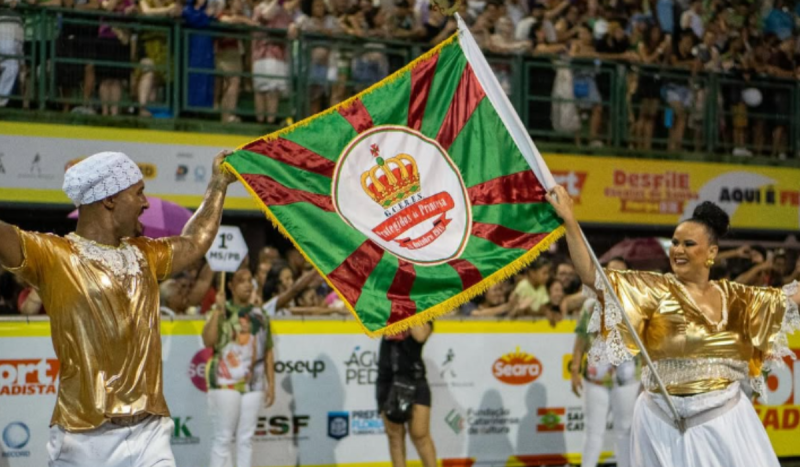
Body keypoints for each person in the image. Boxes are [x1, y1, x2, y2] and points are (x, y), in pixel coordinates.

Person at [0, 150, 237, 466]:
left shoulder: (146, 254)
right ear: (109, 200)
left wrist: (218, 184)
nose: (145, 203)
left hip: (150, 433)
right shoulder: (53, 256)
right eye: (138, 193)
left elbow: (195, 242)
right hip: (82, 440)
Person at [547, 185, 800, 467]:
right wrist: (570, 221)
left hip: (723, 424)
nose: (678, 250)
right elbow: (592, 275)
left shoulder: (739, 298)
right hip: (659, 425)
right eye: (675, 243)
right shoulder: (652, 289)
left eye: (688, 244)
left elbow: (792, 299)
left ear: (712, 252)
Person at [202, 266, 318, 467]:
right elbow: (208, 340)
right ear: (230, 286)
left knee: (246, 439)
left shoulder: (260, 314)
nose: (248, 285)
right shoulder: (221, 310)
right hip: (225, 383)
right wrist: (217, 311)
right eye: (242, 281)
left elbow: (268, 350)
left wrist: (270, 384)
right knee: (223, 438)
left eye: (250, 280)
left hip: (254, 385)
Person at [571, 257, 639, 467]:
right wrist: (574, 369)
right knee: (593, 431)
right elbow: (581, 338)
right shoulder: (591, 305)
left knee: (625, 430)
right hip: (596, 376)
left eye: (621, 272)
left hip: (627, 378)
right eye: (611, 271)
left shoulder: (637, 305)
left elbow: (646, 343)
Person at [377, 323, 437, 467]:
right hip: (388, 379)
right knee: (394, 436)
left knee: (420, 434)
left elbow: (420, 335)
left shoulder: (422, 312)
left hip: (414, 379)